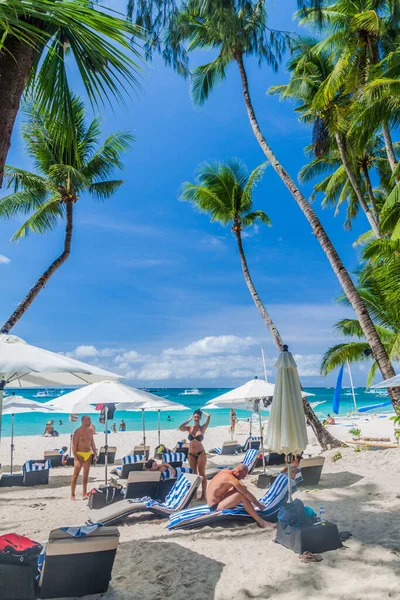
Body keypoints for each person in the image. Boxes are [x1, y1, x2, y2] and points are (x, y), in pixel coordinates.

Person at [206, 463, 271, 529]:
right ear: (239, 472)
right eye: (243, 476)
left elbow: (241, 485)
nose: (243, 478)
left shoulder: (225, 471)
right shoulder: (231, 478)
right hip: (215, 507)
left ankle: (249, 507)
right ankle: (262, 523)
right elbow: (247, 494)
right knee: (242, 495)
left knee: (240, 491)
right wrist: (259, 505)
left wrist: (241, 487)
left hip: (216, 501)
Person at [179, 409, 210, 499]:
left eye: (197, 417)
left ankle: (203, 495)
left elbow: (208, 416)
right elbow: (180, 428)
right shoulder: (189, 428)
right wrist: (188, 420)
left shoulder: (202, 428)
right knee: (193, 474)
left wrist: (201, 411)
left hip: (200, 453)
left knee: (202, 474)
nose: (196, 418)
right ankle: (194, 493)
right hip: (191, 454)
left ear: (200, 418)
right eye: (195, 417)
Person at [71, 415, 97, 500]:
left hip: (88, 454)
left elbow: (92, 443)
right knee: (75, 475)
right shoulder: (77, 432)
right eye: (88, 420)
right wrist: (76, 459)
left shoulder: (90, 431)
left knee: (86, 475)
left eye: (90, 420)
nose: (90, 422)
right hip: (79, 454)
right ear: (82, 421)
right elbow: (74, 446)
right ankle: (72, 495)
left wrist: (95, 454)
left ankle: (84, 493)